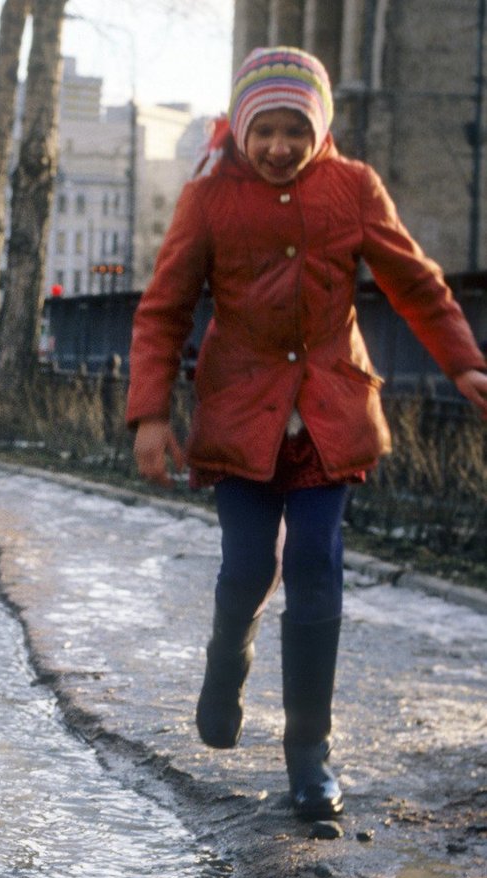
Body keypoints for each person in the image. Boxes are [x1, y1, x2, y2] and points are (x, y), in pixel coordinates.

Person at [127, 46, 487, 820]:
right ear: (244, 129)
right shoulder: (208, 197)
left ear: (319, 129)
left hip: (330, 413)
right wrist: (152, 415)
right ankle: (227, 666)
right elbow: (162, 310)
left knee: (319, 572)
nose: (280, 147)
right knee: (249, 573)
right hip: (241, 414)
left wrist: (464, 364)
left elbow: (415, 283)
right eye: (266, 130)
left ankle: (308, 756)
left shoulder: (353, 187)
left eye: (297, 129)